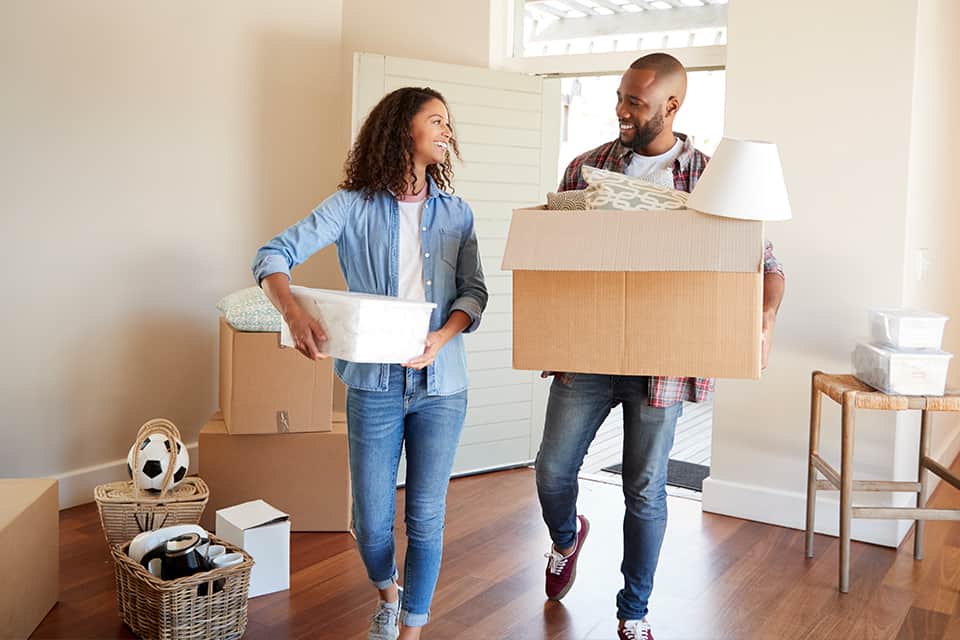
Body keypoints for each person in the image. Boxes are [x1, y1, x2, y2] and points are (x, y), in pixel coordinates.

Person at [535, 53, 785, 640]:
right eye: (621, 97)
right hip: (588, 353)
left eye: (636, 102)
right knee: (551, 469)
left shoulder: (711, 178)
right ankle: (566, 538)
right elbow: (553, 255)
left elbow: (766, 267)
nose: (622, 110)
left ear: (672, 106)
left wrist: (764, 319)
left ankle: (633, 613)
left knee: (644, 488)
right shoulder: (586, 168)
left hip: (663, 362)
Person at [252, 87, 487, 640]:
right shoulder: (351, 206)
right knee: (371, 523)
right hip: (374, 387)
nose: (447, 131)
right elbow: (271, 255)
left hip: (443, 386)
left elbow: (474, 292)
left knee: (426, 517)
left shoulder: (458, 213)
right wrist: (292, 313)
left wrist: (442, 336)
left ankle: (412, 628)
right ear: (403, 128)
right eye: (437, 121)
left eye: (447, 123)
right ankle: (387, 592)